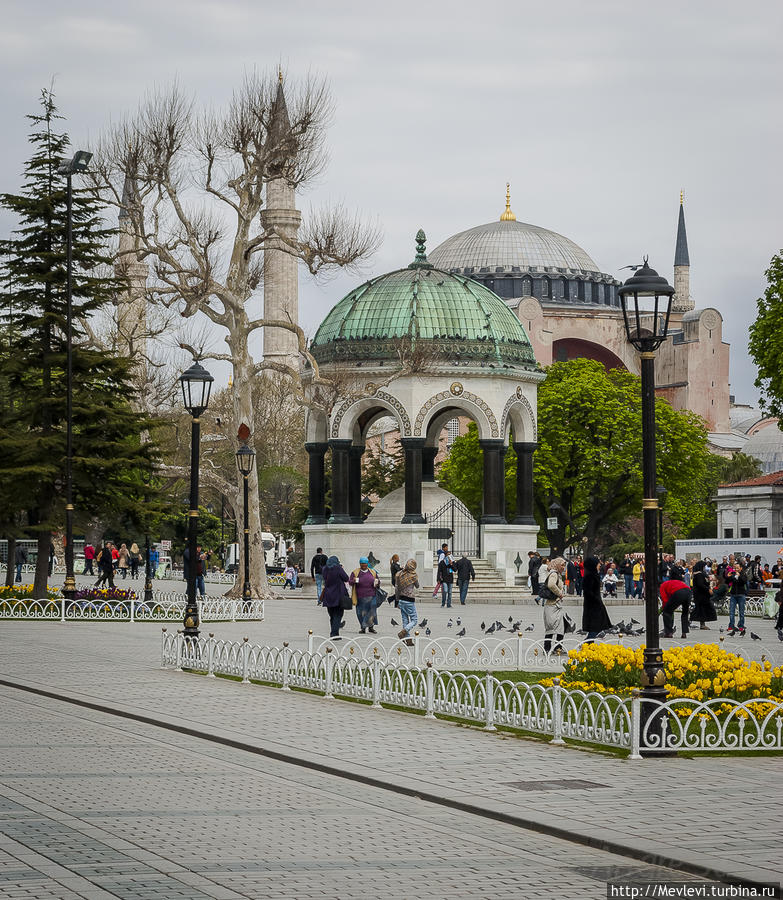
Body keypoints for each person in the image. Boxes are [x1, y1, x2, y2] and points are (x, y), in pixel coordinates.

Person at [582, 556, 611, 640]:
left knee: (597, 626)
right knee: (595, 627)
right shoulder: (590, 576)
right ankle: (586, 644)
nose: (599, 565)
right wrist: (596, 600)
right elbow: (588, 591)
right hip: (593, 606)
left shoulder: (594, 575)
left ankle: (589, 645)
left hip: (596, 605)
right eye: (598, 563)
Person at [541, 557, 567, 653]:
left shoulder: (557, 575)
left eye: (564, 565)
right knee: (551, 628)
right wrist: (559, 593)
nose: (564, 567)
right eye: (562, 565)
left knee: (560, 628)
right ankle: (548, 648)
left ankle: (557, 647)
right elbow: (551, 585)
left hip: (556, 605)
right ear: (557, 565)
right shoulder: (554, 574)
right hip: (552, 606)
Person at [660, 566, 692, 639]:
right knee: (685, 613)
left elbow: (665, 600)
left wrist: (664, 608)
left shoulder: (663, 585)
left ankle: (669, 633)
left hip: (679, 592)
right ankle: (684, 633)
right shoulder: (678, 582)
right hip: (688, 591)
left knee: (667, 612)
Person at [321, 555, 349, 639]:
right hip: (338, 594)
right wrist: (341, 569)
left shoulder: (325, 569)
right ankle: (334, 634)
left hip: (328, 594)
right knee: (338, 614)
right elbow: (346, 578)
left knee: (332, 615)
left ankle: (333, 631)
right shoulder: (338, 568)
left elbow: (324, 578)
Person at [349, 557, 380, 633]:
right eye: (362, 563)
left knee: (372, 612)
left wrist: (377, 583)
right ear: (360, 564)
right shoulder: (355, 572)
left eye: (365, 563)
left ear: (367, 564)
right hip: (360, 596)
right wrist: (353, 581)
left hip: (372, 595)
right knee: (360, 613)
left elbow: (378, 581)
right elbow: (349, 582)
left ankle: (371, 627)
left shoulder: (373, 572)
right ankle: (363, 627)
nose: (363, 565)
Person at [395, 559, 419, 646]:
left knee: (405, 619)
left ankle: (408, 640)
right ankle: (404, 632)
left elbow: (396, 588)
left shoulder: (399, 574)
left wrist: (397, 601)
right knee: (414, 620)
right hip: (409, 600)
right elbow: (417, 585)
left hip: (401, 599)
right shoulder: (413, 575)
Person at [690, 560, 716, 630]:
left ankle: (696, 621)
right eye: (704, 566)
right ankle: (701, 623)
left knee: (701, 609)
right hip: (700, 595)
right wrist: (708, 589)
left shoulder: (701, 573)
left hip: (703, 595)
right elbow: (700, 584)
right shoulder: (698, 574)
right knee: (702, 609)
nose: (705, 567)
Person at [725, 562, 748, 637]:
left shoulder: (743, 574)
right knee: (731, 612)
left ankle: (741, 626)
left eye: (738, 568)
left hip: (741, 595)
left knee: (741, 612)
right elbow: (728, 582)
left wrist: (739, 576)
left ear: (741, 568)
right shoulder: (733, 574)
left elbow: (743, 581)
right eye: (735, 568)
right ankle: (731, 625)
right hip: (733, 595)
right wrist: (728, 577)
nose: (736, 569)